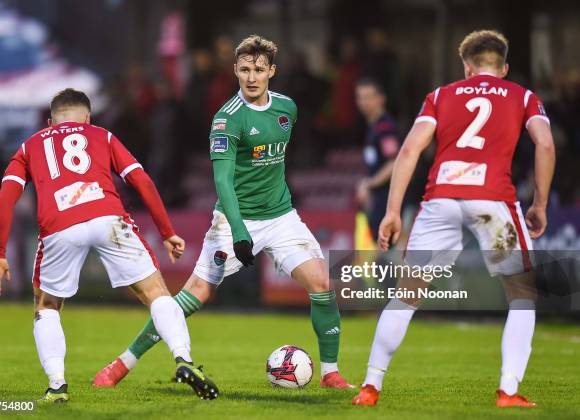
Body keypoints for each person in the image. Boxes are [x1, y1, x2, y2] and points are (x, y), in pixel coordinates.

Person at [93, 35, 354, 389]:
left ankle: (330, 373)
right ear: (235, 70)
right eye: (245, 69)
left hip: (281, 217)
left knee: (322, 283)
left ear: (271, 72)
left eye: (259, 70)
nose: (251, 77)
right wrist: (239, 229)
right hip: (234, 221)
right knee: (196, 293)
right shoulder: (226, 119)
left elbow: (272, 163)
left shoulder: (287, 109)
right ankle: (121, 365)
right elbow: (223, 181)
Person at [351, 30, 555, 407]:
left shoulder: (440, 95)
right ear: (504, 68)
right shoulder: (523, 96)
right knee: (522, 296)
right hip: (493, 199)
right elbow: (545, 143)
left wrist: (393, 211)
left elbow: (410, 149)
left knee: (406, 296)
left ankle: (370, 386)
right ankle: (508, 391)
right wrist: (539, 203)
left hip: (440, 198)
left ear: (466, 68)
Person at [0, 89, 218, 402]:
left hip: (59, 225)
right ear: (87, 118)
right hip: (108, 217)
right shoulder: (102, 135)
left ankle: (57, 386)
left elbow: (6, 197)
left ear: (50, 121)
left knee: (46, 306)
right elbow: (142, 181)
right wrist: (166, 231)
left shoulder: (30, 146)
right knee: (156, 294)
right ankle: (184, 360)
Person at [355, 77, 401, 237]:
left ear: (381, 99)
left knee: (387, 253)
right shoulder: (372, 127)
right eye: (360, 97)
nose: (363, 102)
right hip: (379, 200)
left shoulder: (385, 128)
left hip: (389, 201)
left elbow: (394, 161)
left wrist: (369, 184)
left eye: (368, 97)